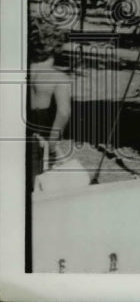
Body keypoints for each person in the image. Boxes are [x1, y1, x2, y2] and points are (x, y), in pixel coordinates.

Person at [27, 22, 72, 191]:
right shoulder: (58, 78)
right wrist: (53, 144)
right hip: (40, 141)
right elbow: (63, 112)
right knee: (38, 188)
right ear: (56, 48)